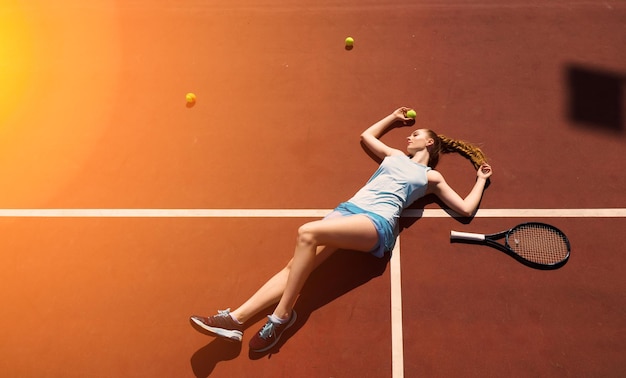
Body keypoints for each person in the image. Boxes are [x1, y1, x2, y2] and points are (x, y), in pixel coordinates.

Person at [190, 107, 493, 353]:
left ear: (429, 143)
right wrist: (393, 117)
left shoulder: (431, 177)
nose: (408, 138)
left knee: (307, 233)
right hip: (348, 211)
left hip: (377, 222)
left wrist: (479, 179)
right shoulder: (396, 157)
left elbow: (464, 210)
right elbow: (366, 135)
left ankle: (282, 317)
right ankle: (235, 320)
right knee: (294, 267)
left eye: (414, 134)